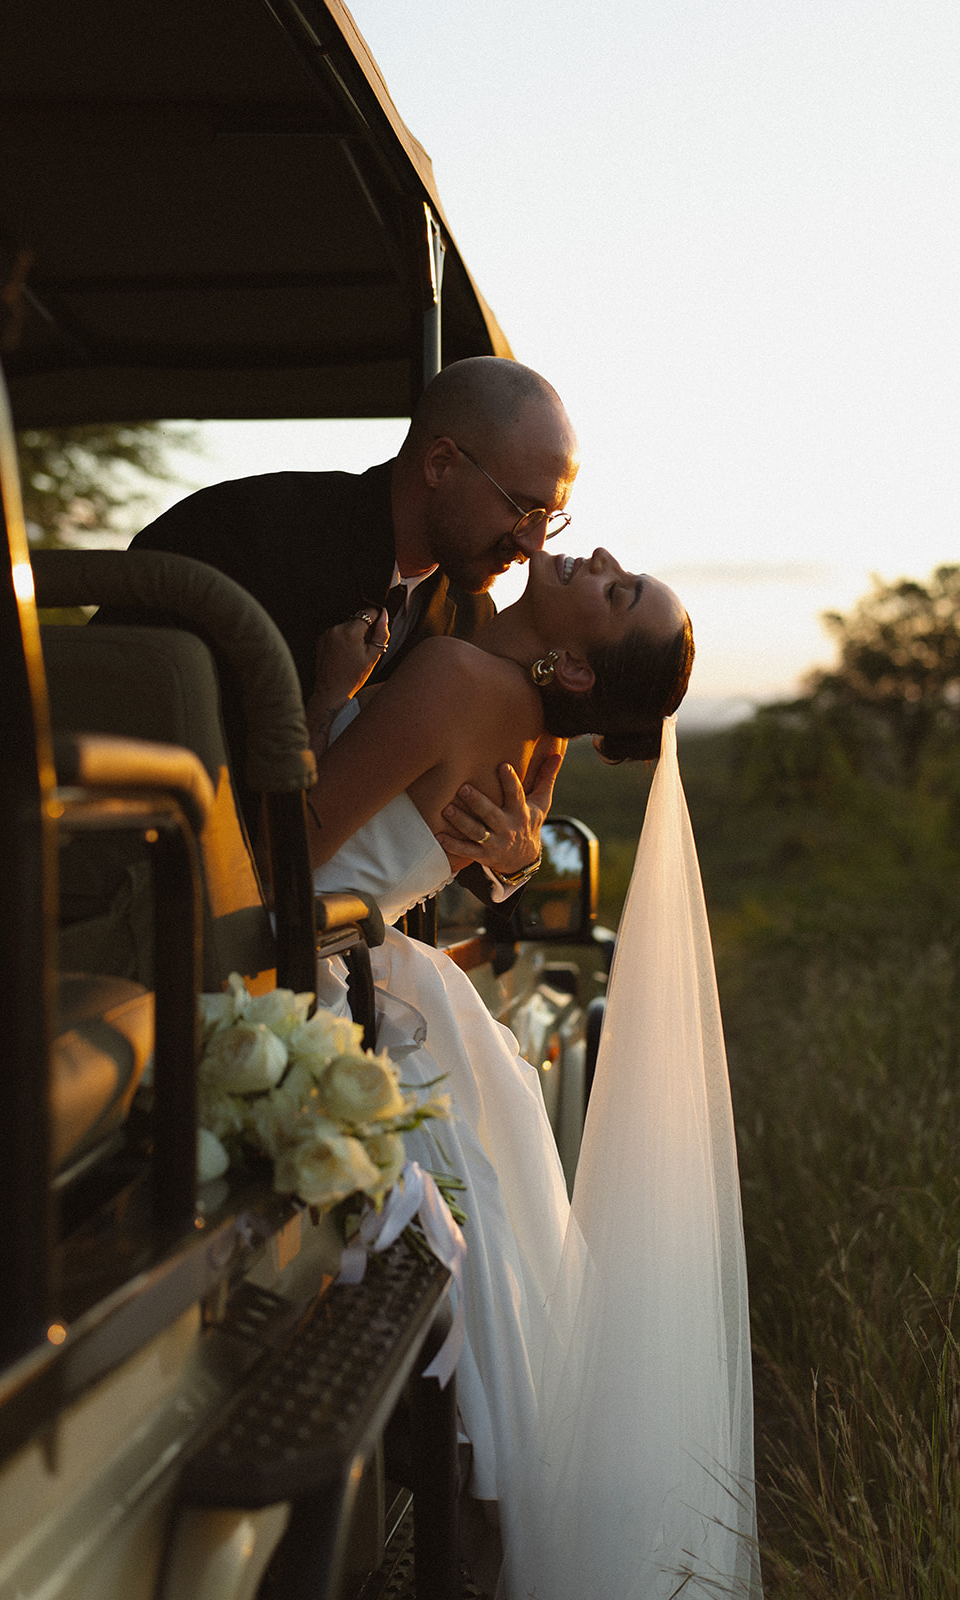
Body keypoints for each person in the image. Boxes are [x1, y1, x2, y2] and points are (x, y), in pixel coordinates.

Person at [310, 547, 761, 1598]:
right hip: (397, 979)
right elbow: (446, 842)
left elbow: (289, 845)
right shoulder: (501, 700)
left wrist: (329, 691)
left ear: (568, 666)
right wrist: (505, 863)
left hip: (326, 964)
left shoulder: (456, 679)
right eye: (621, 573)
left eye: (613, 593)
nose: (598, 556)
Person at [114, 355, 581, 894]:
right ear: (440, 464)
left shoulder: (472, 621)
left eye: (551, 519)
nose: (532, 544)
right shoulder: (239, 534)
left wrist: (515, 858)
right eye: (521, 509)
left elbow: (429, 838)